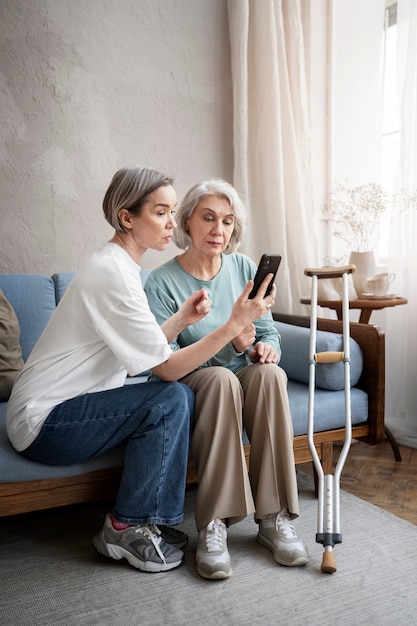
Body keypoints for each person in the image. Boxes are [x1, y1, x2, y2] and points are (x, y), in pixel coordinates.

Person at [6, 167, 274, 574]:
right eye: (162, 212)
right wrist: (233, 325)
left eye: (172, 211)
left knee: (174, 396)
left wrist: (181, 320)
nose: (172, 222)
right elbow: (166, 369)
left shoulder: (118, 266)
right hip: (46, 421)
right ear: (127, 218)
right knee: (170, 397)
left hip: (65, 408)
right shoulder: (113, 275)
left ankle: (152, 523)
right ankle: (124, 525)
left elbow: (147, 349)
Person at [144, 178, 308, 580]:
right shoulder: (162, 281)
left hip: (241, 371)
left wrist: (265, 350)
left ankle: (273, 517)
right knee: (220, 379)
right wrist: (233, 345)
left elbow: (267, 330)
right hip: (194, 380)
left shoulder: (244, 268)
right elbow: (167, 361)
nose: (219, 230)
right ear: (187, 222)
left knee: (270, 376)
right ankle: (214, 523)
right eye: (209, 218)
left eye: (228, 221)